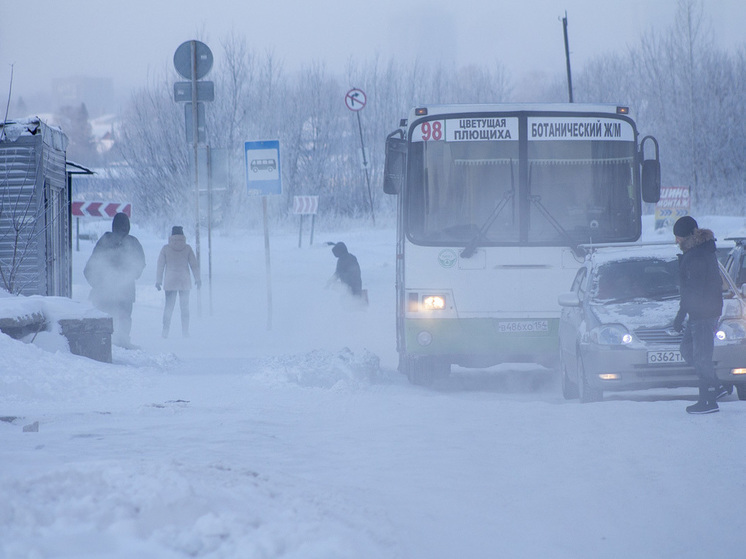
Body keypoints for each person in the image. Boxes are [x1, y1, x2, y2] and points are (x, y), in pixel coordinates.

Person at [672, 215, 724, 414]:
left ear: (686, 236)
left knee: (701, 357)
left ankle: (708, 400)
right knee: (687, 349)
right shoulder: (698, 252)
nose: (676, 241)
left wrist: (680, 314)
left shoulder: (697, 256)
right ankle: (716, 386)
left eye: (678, 236)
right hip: (701, 311)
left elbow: (692, 290)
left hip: (703, 312)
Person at [84, 212, 146, 349]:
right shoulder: (133, 242)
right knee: (124, 316)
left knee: (105, 316)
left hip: (105, 291)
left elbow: (89, 268)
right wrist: (131, 275)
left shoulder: (105, 241)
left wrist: (98, 284)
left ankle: (103, 341)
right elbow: (140, 263)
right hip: (126, 290)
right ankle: (123, 341)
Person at [155, 226, 201, 338]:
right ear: (182, 235)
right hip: (184, 282)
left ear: (171, 235)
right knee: (184, 308)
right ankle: (185, 332)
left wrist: (158, 281)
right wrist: (197, 279)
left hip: (170, 282)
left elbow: (160, 266)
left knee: (168, 308)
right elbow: (194, 265)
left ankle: (165, 331)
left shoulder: (165, 248)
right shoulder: (187, 248)